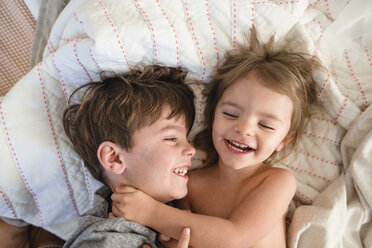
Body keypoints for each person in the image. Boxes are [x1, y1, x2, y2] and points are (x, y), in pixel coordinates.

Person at [110, 27, 326, 248]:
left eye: (265, 125)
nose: (244, 129)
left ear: (284, 140)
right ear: (212, 116)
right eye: (230, 114)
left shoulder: (276, 181)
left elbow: (235, 238)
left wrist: (151, 213)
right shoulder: (190, 186)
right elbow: (188, 237)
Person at [62, 65, 196, 248]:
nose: (191, 149)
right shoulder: (106, 241)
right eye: (172, 138)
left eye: (186, 137)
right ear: (114, 158)